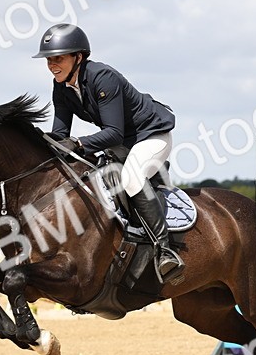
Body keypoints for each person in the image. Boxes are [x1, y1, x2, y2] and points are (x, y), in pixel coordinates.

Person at [34, 23, 184, 284]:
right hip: (120, 145)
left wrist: (79, 144)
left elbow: (113, 132)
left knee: (132, 179)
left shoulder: (103, 77)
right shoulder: (61, 87)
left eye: (58, 58)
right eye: (49, 59)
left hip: (151, 136)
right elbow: (60, 133)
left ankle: (165, 250)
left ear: (78, 57)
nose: (52, 65)